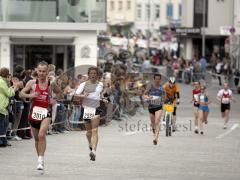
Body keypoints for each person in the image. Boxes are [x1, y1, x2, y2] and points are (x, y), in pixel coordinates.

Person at [20, 61, 60, 171]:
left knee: (42, 135)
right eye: (40, 71)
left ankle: (41, 160)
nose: (41, 73)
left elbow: (60, 93)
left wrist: (54, 100)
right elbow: (21, 93)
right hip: (34, 113)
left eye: (44, 71)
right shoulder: (32, 83)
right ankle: (40, 158)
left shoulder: (51, 83)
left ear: (47, 72)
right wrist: (31, 95)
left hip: (46, 113)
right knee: (37, 140)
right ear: (36, 71)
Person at [75, 67, 104, 161]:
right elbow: (76, 95)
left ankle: (94, 151)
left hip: (96, 108)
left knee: (95, 130)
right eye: (91, 73)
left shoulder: (100, 84)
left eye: (95, 73)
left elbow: (100, 94)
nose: (93, 75)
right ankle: (90, 144)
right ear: (88, 74)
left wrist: (103, 98)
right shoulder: (83, 84)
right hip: (86, 109)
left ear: (97, 75)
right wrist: (83, 95)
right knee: (89, 132)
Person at [143, 74, 165, 145]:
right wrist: (148, 98)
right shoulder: (150, 87)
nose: (157, 80)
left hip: (159, 107)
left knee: (157, 121)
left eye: (159, 79)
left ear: (160, 80)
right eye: (156, 79)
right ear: (154, 79)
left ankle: (156, 139)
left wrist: (163, 100)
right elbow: (144, 95)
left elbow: (164, 97)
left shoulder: (162, 88)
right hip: (151, 107)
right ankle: (153, 130)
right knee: (153, 124)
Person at [0, 68, 19, 147]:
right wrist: (15, 87)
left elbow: (7, 91)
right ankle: (1, 141)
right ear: (6, 74)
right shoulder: (1, 82)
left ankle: (3, 141)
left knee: (4, 124)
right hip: (1, 106)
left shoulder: (3, 81)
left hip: (3, 107)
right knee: (2, 124)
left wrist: (12, 87)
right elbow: (9, 93)